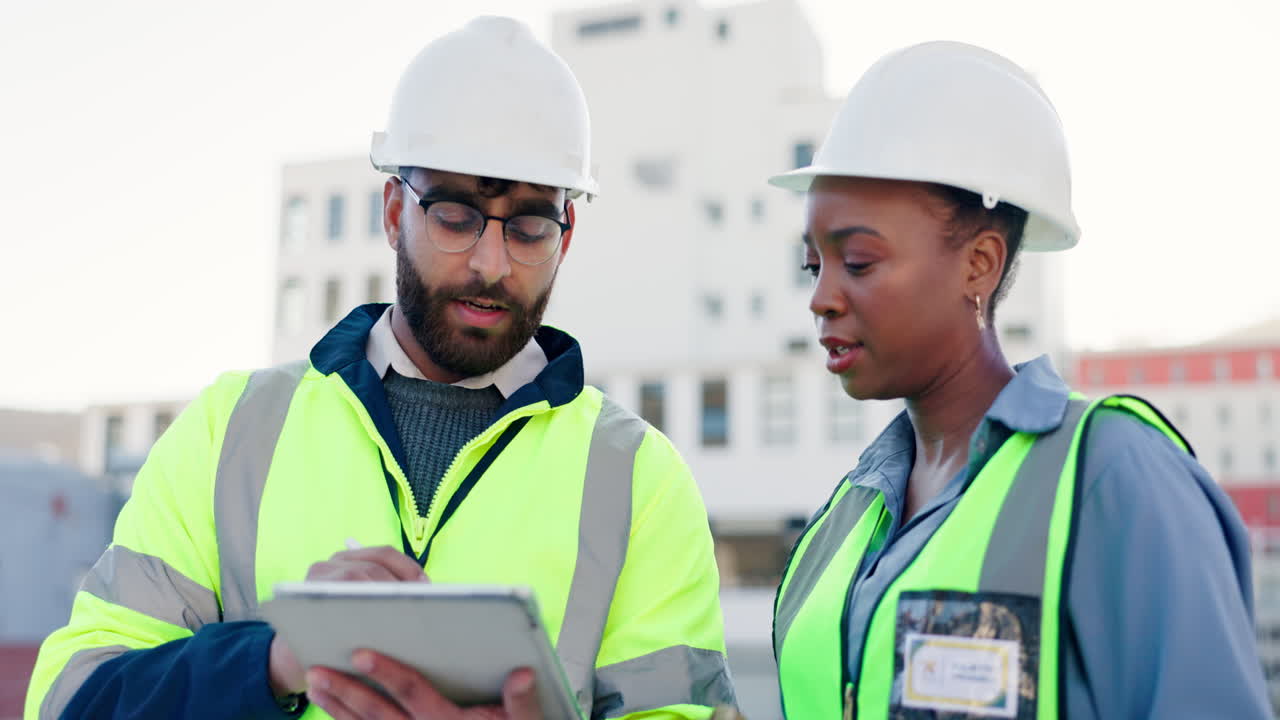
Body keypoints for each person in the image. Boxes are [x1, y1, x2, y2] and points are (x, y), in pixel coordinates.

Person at [26, 17, 735, 720]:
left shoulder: (639, 480)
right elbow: (73, 700)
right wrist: (274, 659)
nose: (492, 264)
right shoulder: (230, 434)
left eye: (528, 227)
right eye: (456, 215)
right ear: (395, 210)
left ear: (567, 236)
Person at [766, 41, 1271, 719]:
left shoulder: (1115, 480)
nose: (822, 297)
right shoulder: (843, 522)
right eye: (813, 266)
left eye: (857, 262)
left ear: (979, 264)